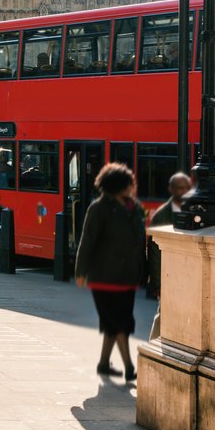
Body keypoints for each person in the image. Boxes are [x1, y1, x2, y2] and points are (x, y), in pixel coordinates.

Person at [74, 162, 146, 383]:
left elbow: (140, 241)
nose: (132, 186)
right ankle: (129, 367)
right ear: (117, 185)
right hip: (105, 277)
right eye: (128, 183)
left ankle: (104, 364)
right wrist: (80, 271)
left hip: (127, 277)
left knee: (112, 324)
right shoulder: (98, 209)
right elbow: (87, 241)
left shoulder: (134, 208)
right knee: (120, 323)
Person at [147, 172, 192, 337]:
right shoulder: (161, 215)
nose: (185, 191)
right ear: (171, 189)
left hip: (187, 276)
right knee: (164, 315)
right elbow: (153, 251)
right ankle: (151, 348)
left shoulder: (193, 211)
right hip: (168, 277)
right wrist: (158, 285)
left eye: (187, 188)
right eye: (180, 188)